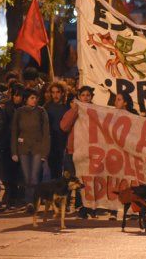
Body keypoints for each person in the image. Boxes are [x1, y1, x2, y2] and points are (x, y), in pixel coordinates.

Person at [11, 88, 50, 212]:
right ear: (26, 99)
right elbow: (14, 132)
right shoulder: (19, 112)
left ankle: (32, 202)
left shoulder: (41, 111)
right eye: (32, 98)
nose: (35, 100)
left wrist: (45, 152)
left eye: (36, 98)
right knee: (27, 177)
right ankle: (29, 202)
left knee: (34, 177)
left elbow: (46, 133)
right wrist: (14, 151)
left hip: (37, 148)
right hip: (23, 148)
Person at [60, 85, 94, 217]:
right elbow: (64, 126)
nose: (85, 98)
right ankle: (71, 204)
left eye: (88, 95)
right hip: (72, 150)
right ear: (79, 97)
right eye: (83, 95)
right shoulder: (73, 110)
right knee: (71, 179)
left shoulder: (96, 112)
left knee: (86, 180)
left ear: (91, 97)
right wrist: (75, 111)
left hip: (88, 152)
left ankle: (86, 206)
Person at [44, 82, 69, 179]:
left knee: (62, 168)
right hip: (51, 141)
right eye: (53, 92)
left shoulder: (67, 107)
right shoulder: (46, 107)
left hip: (63, 140)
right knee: (53, 168)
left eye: (58, 92)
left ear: (62, 93)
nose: (55, 95)